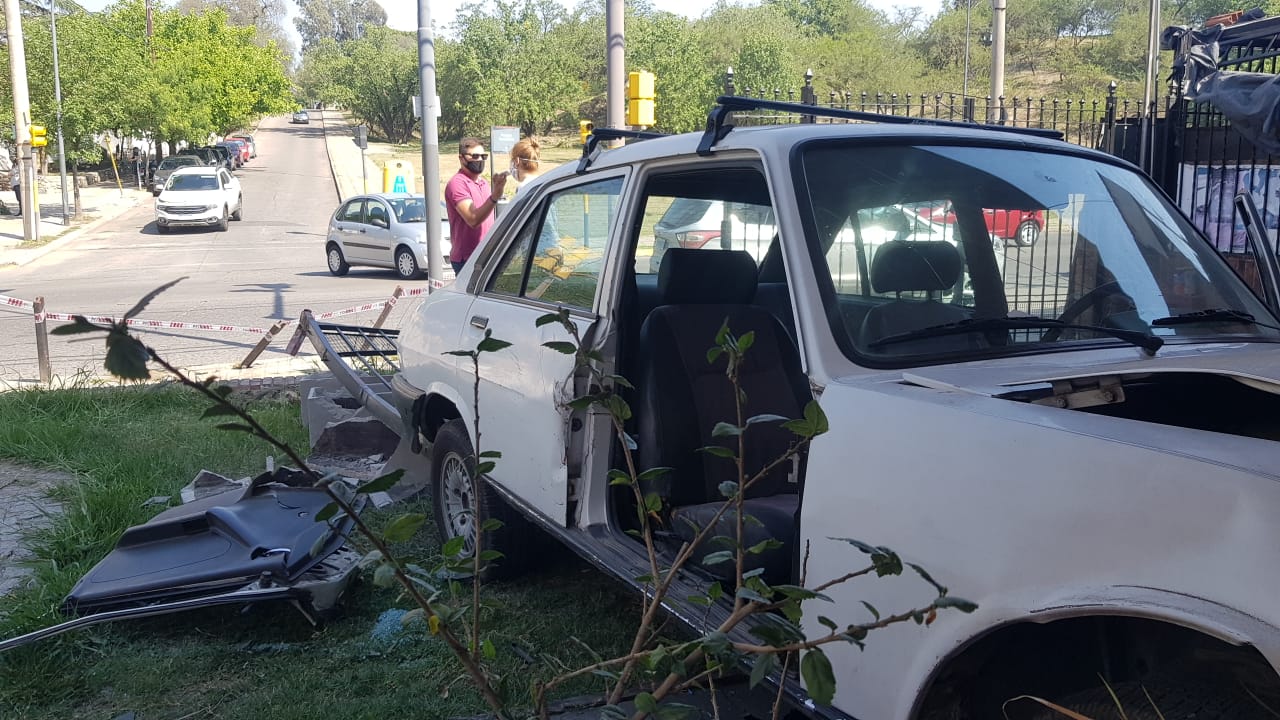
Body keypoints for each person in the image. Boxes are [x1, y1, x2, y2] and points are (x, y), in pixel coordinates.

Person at [445, 137, 508, 274]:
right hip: (467, 260)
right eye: (474, 156)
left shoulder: (484, 183)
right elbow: (473, 219)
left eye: (483, 156)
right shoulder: (457, 184)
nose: (479, 160)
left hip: (486, 255)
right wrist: (494, 196)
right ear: (462, 158)